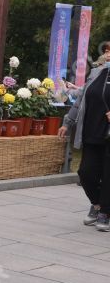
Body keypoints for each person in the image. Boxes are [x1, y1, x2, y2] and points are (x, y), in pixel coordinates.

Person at [59, 49, 110, 231]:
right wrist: (68, 123)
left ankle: (105, 212)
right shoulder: (96, 73)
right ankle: (97, 205)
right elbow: (81, 100)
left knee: (108, 175)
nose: (108, 54)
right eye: (107, 50)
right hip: (91, 133)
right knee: (86, 173)